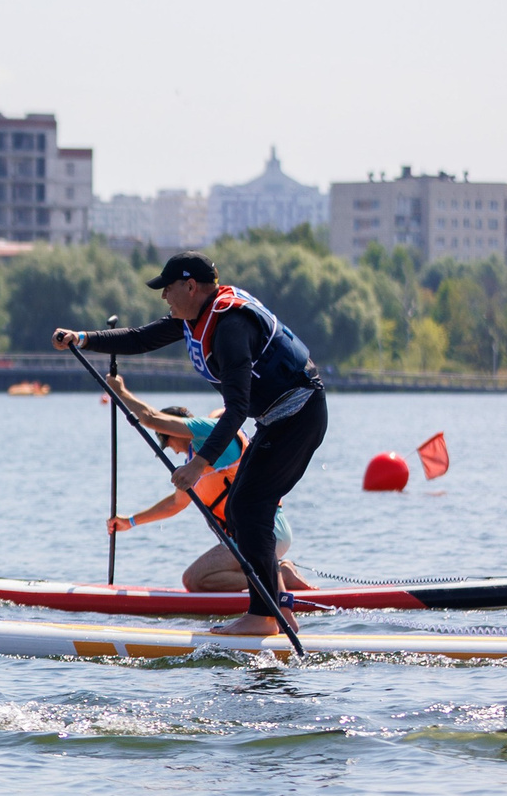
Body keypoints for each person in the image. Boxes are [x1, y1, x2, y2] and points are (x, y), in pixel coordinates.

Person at [55, 250, 327, 635]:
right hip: (279, 420)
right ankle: (278, 612)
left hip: (299, 415)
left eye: (167, 289)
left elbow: (236, 410)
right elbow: (140, 337)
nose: (164, 297)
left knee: (249, 505)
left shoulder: (231, 327)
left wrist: (198, 465)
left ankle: (266, 618)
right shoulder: (196, 317)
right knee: (240, 509)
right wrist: (83, 339)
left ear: (190, 286)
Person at [103, 372, 312, 594]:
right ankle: (276, 572)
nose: (171, 449)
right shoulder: (194, 463)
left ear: (173, 429)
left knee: (195, 580)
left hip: (266, 531)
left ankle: (278, 578)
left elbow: (149, 418)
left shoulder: (207, 431)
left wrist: (120, 391)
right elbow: (176, 503)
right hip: (250, 536)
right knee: (198, 579)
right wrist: (130, 521)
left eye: (166, 440)